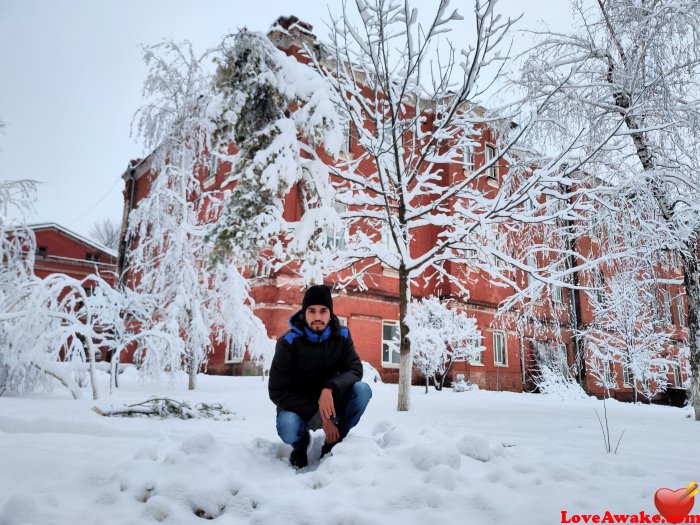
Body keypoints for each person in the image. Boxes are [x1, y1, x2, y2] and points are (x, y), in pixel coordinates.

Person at [268, 284, 372, 468]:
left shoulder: (342, 335)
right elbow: (277, 391)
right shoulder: (288, 342)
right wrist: (323, 419)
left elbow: (354, 369)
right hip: (299, 408)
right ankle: (300, 446)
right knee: (288, 425)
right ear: (304, 313)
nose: (317, 317)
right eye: (312, 311)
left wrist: (330, 387)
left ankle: (333, 442)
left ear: (330, 313)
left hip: (332, 403)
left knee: (362, 390)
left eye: (323, 311)